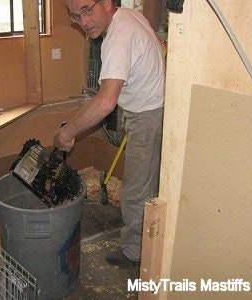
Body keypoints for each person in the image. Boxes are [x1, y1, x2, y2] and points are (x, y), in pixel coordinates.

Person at [54, 0, 165, 267]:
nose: (83, 21)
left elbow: (105, 102)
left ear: (106, 3)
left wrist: (67, 133)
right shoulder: (128, 16)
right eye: (76, 16)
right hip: (148, 108)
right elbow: (159, 48)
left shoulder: (116, 39)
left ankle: (135, 253)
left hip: (148, 115)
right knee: (146, 181)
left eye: (87, 10)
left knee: (136, 191)